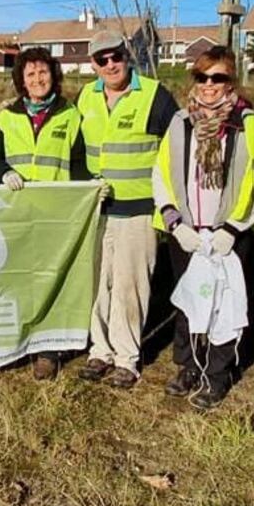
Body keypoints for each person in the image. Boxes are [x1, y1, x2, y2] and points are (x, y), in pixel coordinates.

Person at [152, 46, 254, 409]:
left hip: (226, 234)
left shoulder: (246, 125)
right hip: (187, 231)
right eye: (202, 77)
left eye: (217, 77)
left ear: (231, 81)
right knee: (189, 301)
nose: (209, 85)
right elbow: (162, 173)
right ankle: (188, 366)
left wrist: (233, 228)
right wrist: (173, 219)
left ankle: (216, 375)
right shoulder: (180, 122)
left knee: (223, 305)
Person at [75, 30, 179, 389]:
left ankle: (127, 358)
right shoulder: (85, 97)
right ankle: (99, 350)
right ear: (93, 64)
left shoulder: (153, 95)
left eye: (115, 56)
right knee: (98, 283)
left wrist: (169, 205)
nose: (110, 64)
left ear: (127, 55)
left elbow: (176, 149)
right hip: (98, 209)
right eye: (101, 59)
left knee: (130, 285)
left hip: (138, 210)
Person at [0, 47, 91, 380]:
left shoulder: (71, 115)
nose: (37, 79)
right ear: (21, 80)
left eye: (43, 72)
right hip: (17, 212)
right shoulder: (6, 116)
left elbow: (79, 166)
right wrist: (4, 171)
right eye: (30, 74)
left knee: (51, 279)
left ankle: (47, 350)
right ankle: (16, 341)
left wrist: (84, 199)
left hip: (55, 213)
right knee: (17, 277)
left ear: (54, 75)